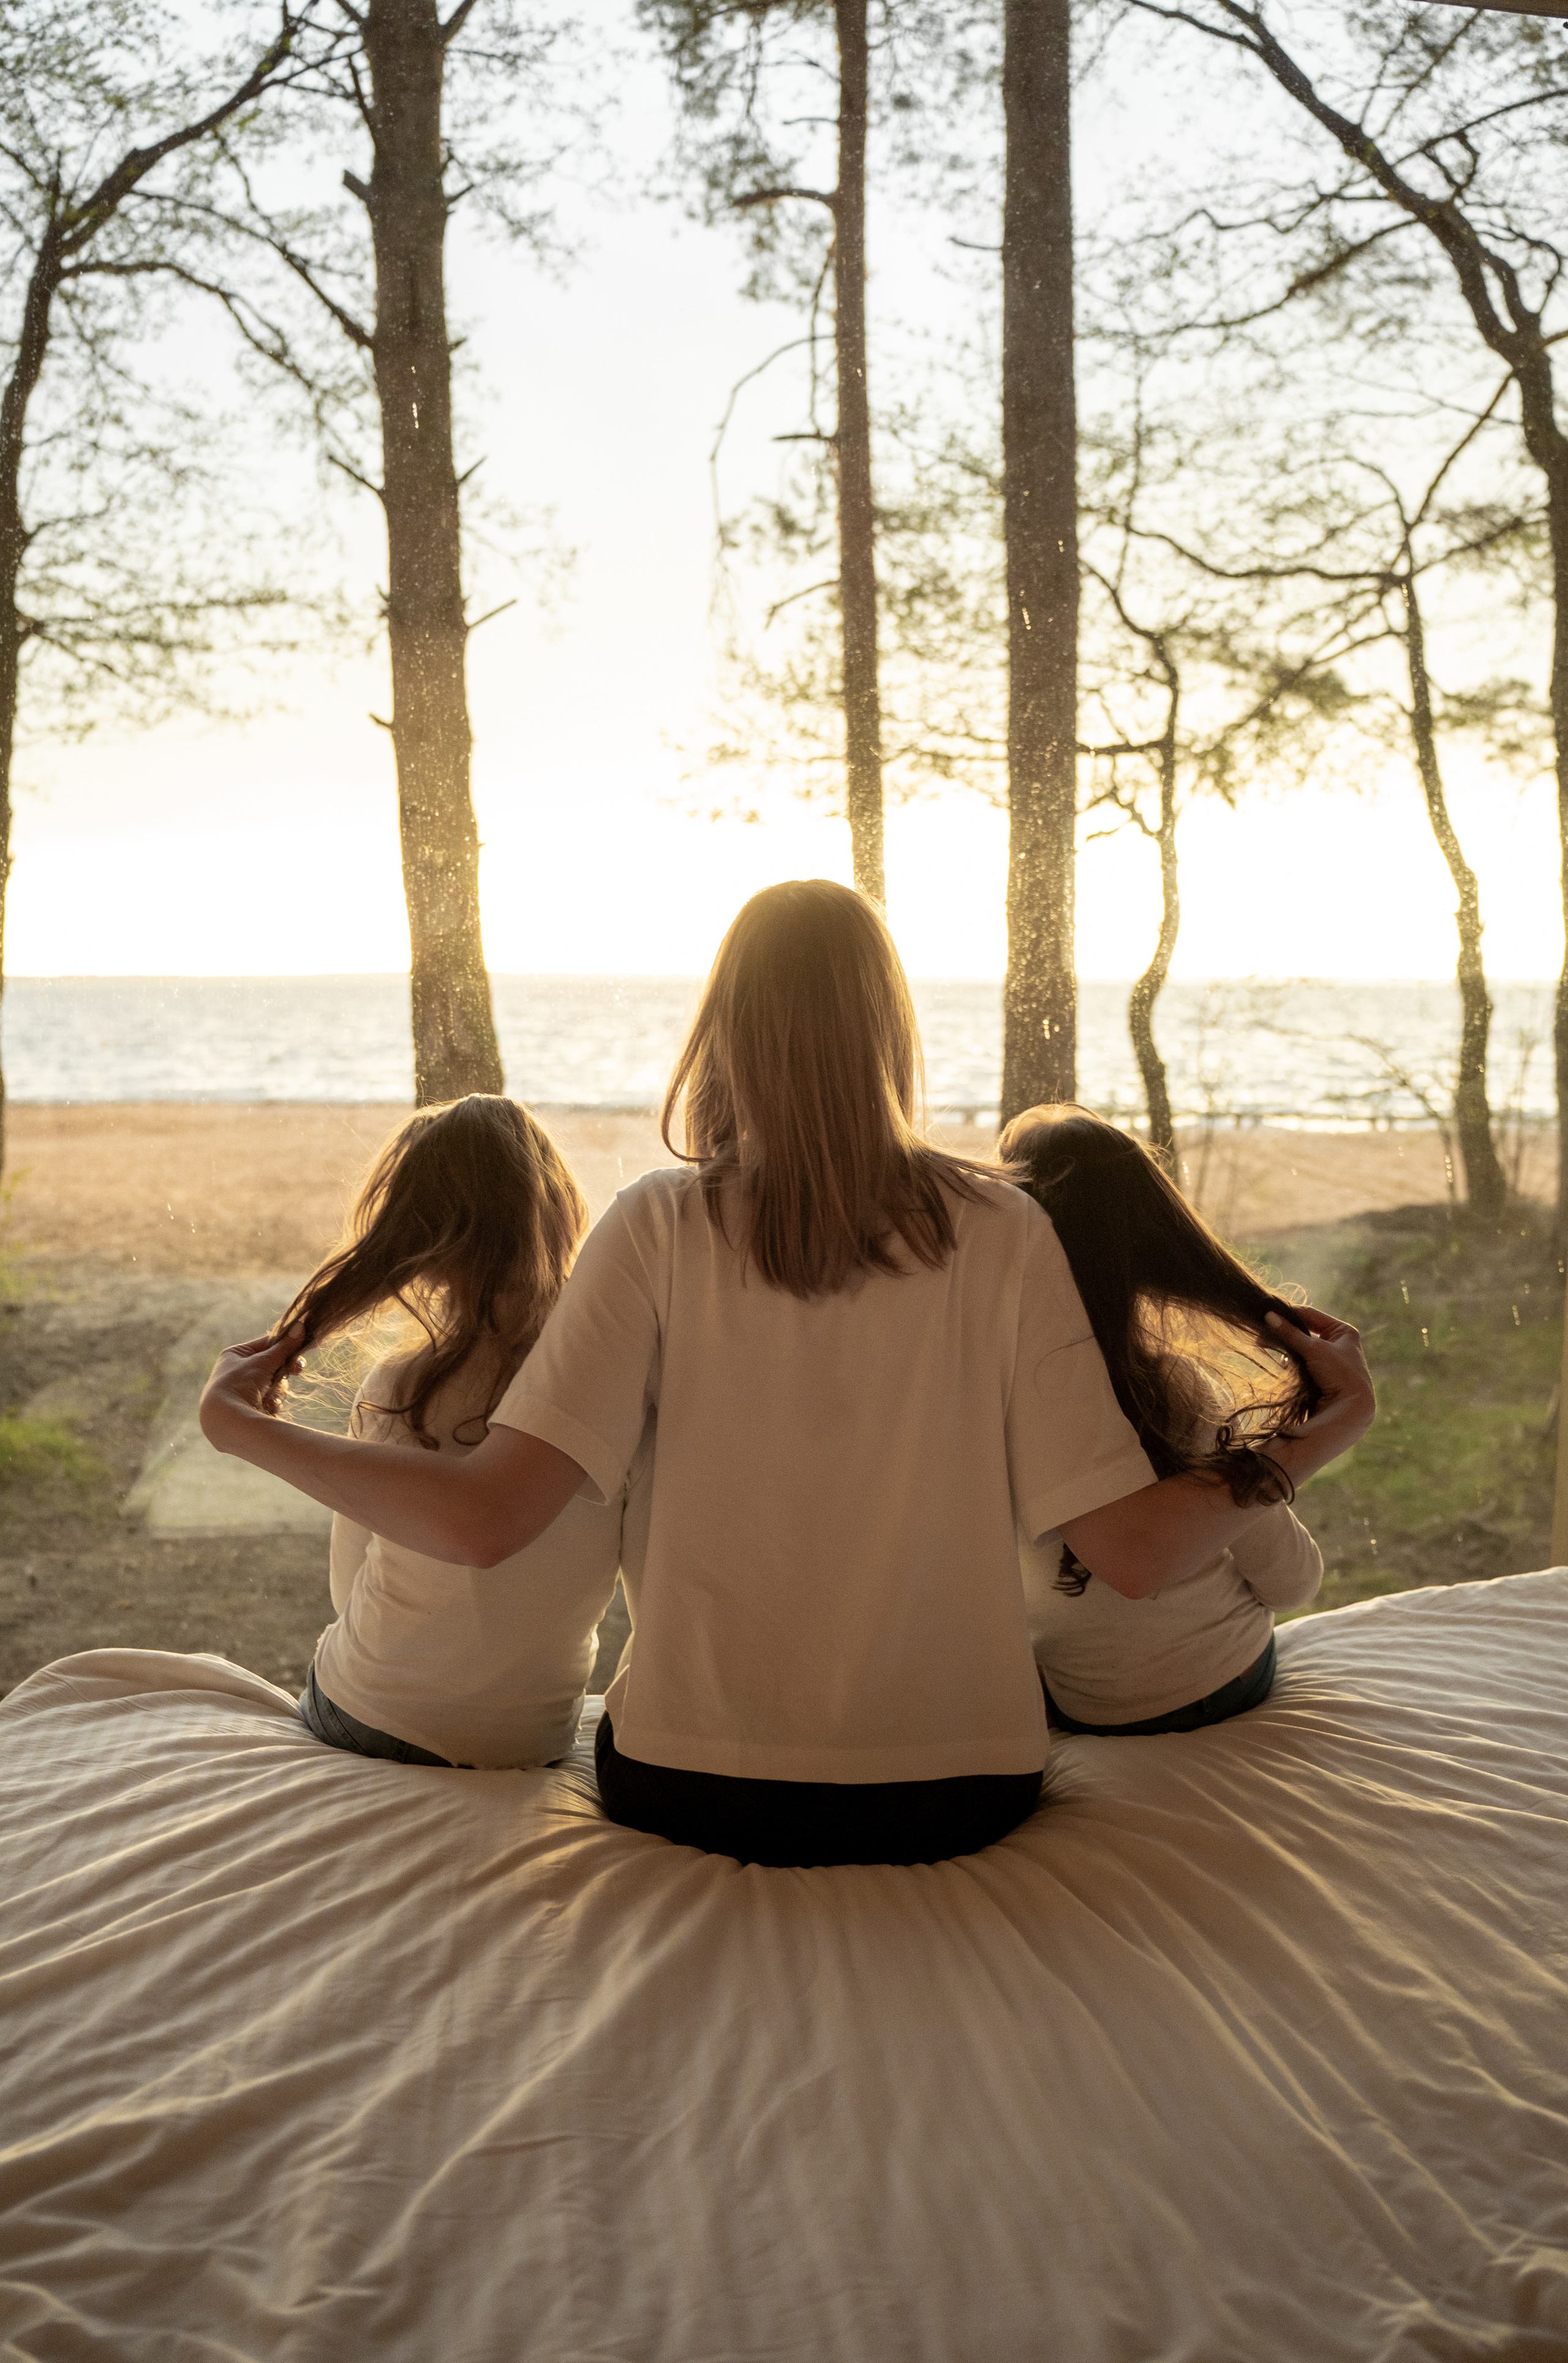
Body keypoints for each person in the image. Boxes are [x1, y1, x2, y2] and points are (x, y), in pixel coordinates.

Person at [200, 882, 1376, 1866]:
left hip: (691, 1787)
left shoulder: (654, 1226)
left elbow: (489, 1520)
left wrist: (245, 1427)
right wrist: (1327, 1426)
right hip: (959, 1795)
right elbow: (1138, 1550)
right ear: (892, 1032)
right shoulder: (1005, 1231)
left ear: (726, 1031)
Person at [279, 1095, 650, 1770]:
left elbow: (347, 1587)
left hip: (367, 1712)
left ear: (420, 1250)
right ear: (563, 1214)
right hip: (531, 1738)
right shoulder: (619, 1388)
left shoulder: (398, 1391)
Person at [999, 1103, 1325, 1737]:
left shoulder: (992, 1398)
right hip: (1219, 1682)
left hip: (1083, 1703)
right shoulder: (1176, 1392)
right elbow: (1291, 1582)